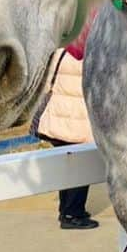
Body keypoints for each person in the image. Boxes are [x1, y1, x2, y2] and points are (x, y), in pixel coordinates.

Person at [33, 42, 97, 229]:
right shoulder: (90, 55)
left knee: (68, 167)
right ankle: (73, 214)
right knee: (82, 169)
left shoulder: (60, 52)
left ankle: (66, 209)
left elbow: (46, 83)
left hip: (58, 120)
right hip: (79, 120)